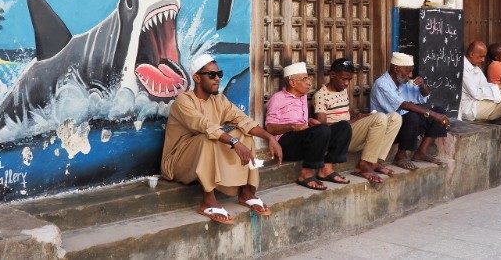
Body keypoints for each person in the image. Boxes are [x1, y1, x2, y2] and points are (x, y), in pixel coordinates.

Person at [161, 53, 283, 225]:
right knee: (208, 138)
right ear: (197, 78)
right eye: (212, 75)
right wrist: (234, 143)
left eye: (219, 74)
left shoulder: (219, 99)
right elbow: (205, 126)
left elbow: (243, 120)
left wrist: (270, 137)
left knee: (245, 134)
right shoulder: (183, 101)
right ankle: (208, 202)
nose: (217, 78)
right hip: (176, 162)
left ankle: (247, 192)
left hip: (204, 155)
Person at [314, 58, 402, 184]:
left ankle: (374, 161)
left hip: (351, 132)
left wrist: (360, 116)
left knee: (395, 118)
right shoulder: (321, 95)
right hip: (340, 140)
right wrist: (355, 120)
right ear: (332, 75)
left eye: (349, 80)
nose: (346, 83)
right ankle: (363, 165)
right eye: (343, 79)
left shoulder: (342, 91)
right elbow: (322, 128)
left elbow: (344, 113)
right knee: (380, 118)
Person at [265, 62, 343, 190]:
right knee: (322, 130)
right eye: (304, 79)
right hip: (286, 144)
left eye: (308, 78)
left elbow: (302, 122)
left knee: (343, 127)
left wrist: (310, 121)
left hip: (302, 139)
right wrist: (292, 126)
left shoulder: (303, 97)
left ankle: (326, 169)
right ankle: (305, 174)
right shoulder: (277, 98)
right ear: (292, 83)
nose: (309, 83)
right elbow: (269, 128)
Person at [370, 52, 450, 171]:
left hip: (408, 127)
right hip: (389, 128)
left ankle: (421, 152)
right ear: (396, 68)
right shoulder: (382, 84)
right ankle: (401, 156)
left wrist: (423, 85)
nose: (410, 74)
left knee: (439, 111)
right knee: (412, 115)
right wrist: (432, 114)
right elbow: (403, 105)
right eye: (408, 70)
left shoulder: (405, 82)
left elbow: (425, 95)